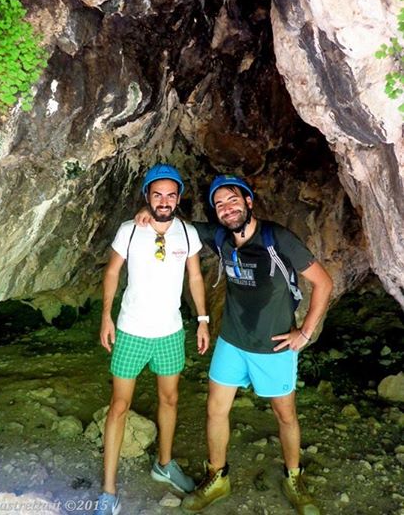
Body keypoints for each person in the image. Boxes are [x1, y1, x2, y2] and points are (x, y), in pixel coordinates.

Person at [137, 174, 333, 515]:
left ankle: (294, 478)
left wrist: (304, 333)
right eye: (220, 205)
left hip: (273, 346)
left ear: (248, 202)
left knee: (285, 415)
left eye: (233, 200)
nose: (227, 209)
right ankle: (217, 477)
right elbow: (176, 223)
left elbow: (324, 283)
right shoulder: (220, 238)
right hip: (231, 341)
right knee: (215, 410)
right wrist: (147, 212)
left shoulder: (277, 239)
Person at [95, 163, 210, 515]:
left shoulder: (187, 233)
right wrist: (106, 316)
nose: (164, 201)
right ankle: (108, 490)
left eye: (170, 195)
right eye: (157, 194)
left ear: (178, 198)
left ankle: (164, 464)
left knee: (170, 399)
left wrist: (203, 320)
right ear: (147, 195)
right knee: (119, 406)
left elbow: (195, 277)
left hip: (170, 332)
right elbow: (112, 272)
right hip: (131, 330)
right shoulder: (130, 230)